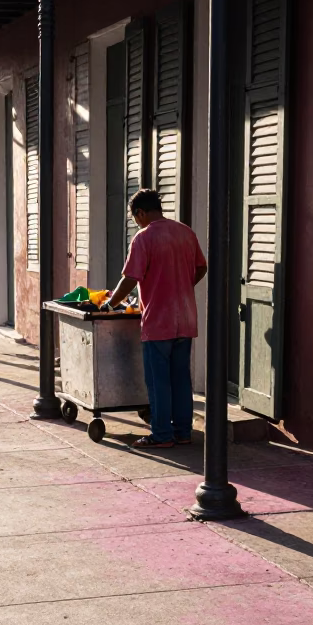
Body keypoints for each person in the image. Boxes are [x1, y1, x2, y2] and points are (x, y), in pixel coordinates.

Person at [103, 188, 207, 449]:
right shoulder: (185, 232)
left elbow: (129, 279)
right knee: (181, 379)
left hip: (158, 321)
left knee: (159, 381)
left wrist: (110, 304)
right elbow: (202, 266)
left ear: (140, 213)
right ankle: (183, 431)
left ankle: (161, 435)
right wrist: (182, 285)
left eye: (135, 217)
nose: (136, 222)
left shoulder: (143, 238)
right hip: (185, 318)